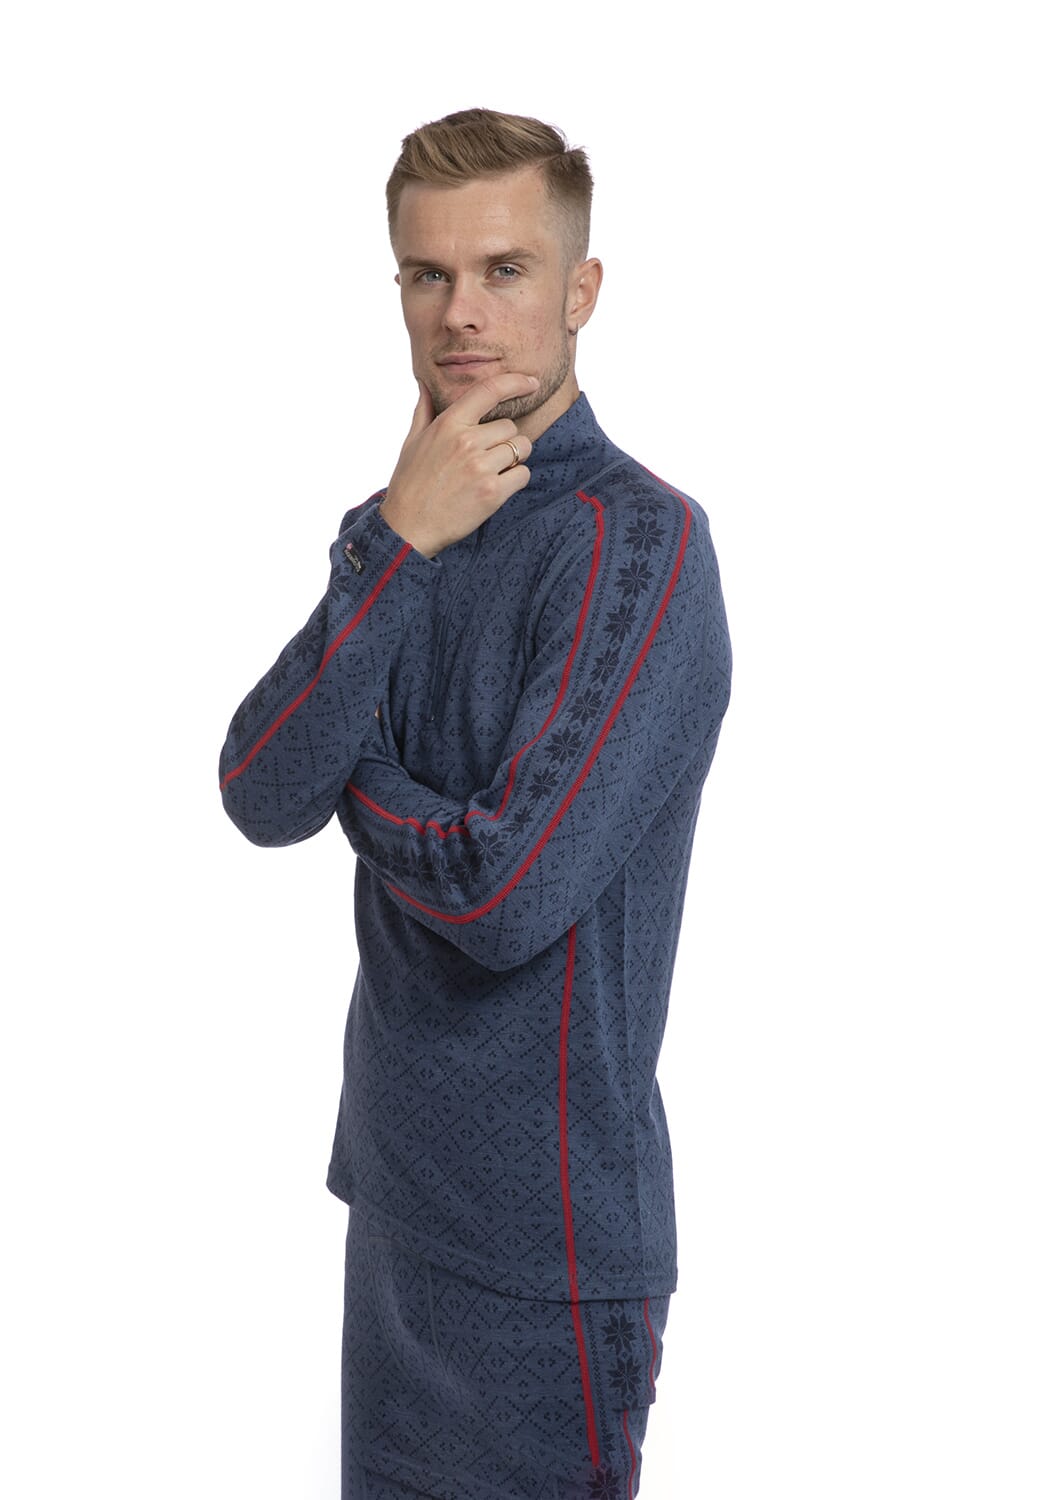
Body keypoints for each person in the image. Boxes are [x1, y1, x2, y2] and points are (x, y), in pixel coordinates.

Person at [220, 108, 731, 1500]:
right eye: (426, 273)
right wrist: (400, 539)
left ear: (580, 291)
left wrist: (363, 781)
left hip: (546, 1249)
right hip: (393, 1202)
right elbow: (261, 789)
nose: (461, 313)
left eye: (506, 271)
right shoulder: (395, 531)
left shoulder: (638, 543)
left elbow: (505, 891)